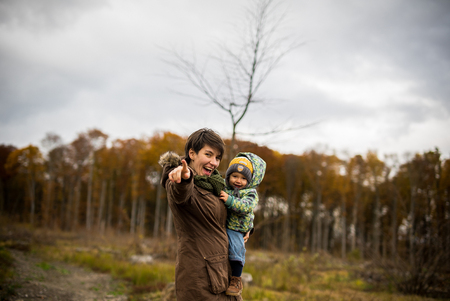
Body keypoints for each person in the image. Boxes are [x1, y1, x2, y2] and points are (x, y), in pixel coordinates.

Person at [159, 128, 243, 301]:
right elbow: (180, 193)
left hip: (222, 275)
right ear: (192, 153)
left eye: (218, 157)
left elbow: (223, 217)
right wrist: (185, 178)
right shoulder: (179, 181)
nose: (214, 162)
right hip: (200, 280)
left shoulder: (213, 185)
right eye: (208, 154)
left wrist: (244, 229)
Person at [219, 152, 266, 296]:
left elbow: (246, 207)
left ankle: (236, 279)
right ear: (228, 177)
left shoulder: (250, 193)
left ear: (249, 180)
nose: (238, 181)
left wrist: (230, 200)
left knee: (236, 250)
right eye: (235, 176)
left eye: (243, 178)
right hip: (225, 225)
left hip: (237, 228)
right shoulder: (226, 188)